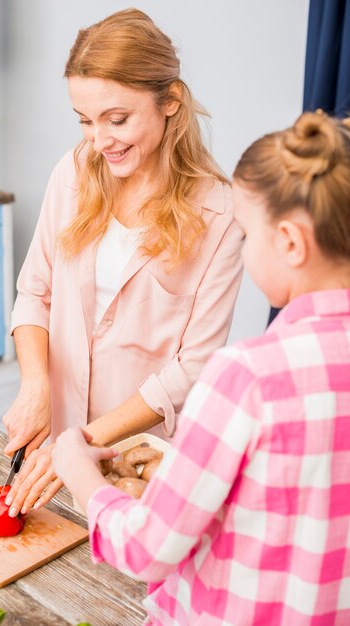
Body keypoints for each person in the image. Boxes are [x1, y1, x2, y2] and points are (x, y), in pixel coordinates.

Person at [52, 110, 350, 626]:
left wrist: (81, 477)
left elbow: (150, 547)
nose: (244, 250)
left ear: (291, 243)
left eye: (247, 236)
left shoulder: (248, 379)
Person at [3, 8, 243, 516]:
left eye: (117, 119)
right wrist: (35, 386)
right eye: (86, 121)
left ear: (170, 101)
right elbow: (34, 292)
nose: (99, 140)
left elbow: (193, 365)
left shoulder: (221, 212)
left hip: (138, 455)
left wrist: (84, 443)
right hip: (57, 436)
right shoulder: (72, 173)